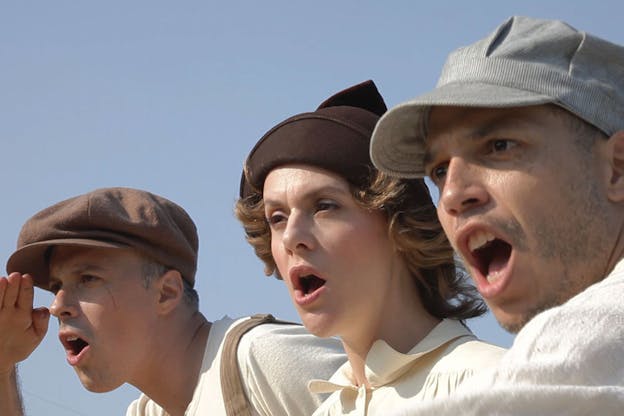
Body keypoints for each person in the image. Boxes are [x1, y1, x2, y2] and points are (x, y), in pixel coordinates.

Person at [369, 15, 624, 415]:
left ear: (617, 168)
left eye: (499, 145)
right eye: (438, 171)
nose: (452, 194)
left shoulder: (595, 330)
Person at [235, 80, 506, 415]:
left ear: (398, 223)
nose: (291, 237)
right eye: (277, 218)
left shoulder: (495, 388)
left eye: (324, 206)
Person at [0, 186, 346, 416]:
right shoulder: (148, 412)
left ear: (166, 292)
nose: (59, 305)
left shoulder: (262, 360)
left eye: (88, 279)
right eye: (57, 285)